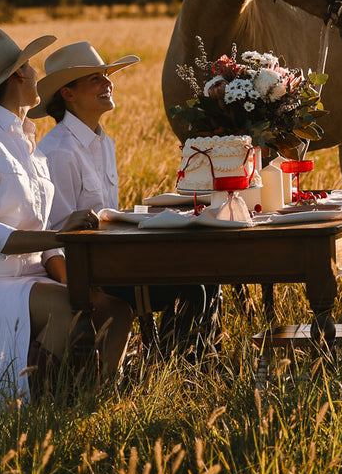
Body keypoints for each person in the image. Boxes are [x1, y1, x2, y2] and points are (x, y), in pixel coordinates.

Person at [0, 28, 133, 405]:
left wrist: (63, 248)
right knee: (66, 308)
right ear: (16, 76)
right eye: (29, 64)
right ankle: (32, 407)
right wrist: (59, 238)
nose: (35, 71)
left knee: (116, 310)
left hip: (31, 277)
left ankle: (98, 399)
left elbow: (40, 227)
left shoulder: (26, 140)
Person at [33, 41, 219, 358]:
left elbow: (107, 215)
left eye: (107, 75)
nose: (109, 83)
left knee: (206, 274)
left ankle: (182, 368)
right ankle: (176, 371)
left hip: (117, 261)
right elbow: (54, 236)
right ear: (68, 94)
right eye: (96, 78)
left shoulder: (104, 143)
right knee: (192, 287)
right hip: (92, 274)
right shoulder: (59, 152)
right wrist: (82, 288)